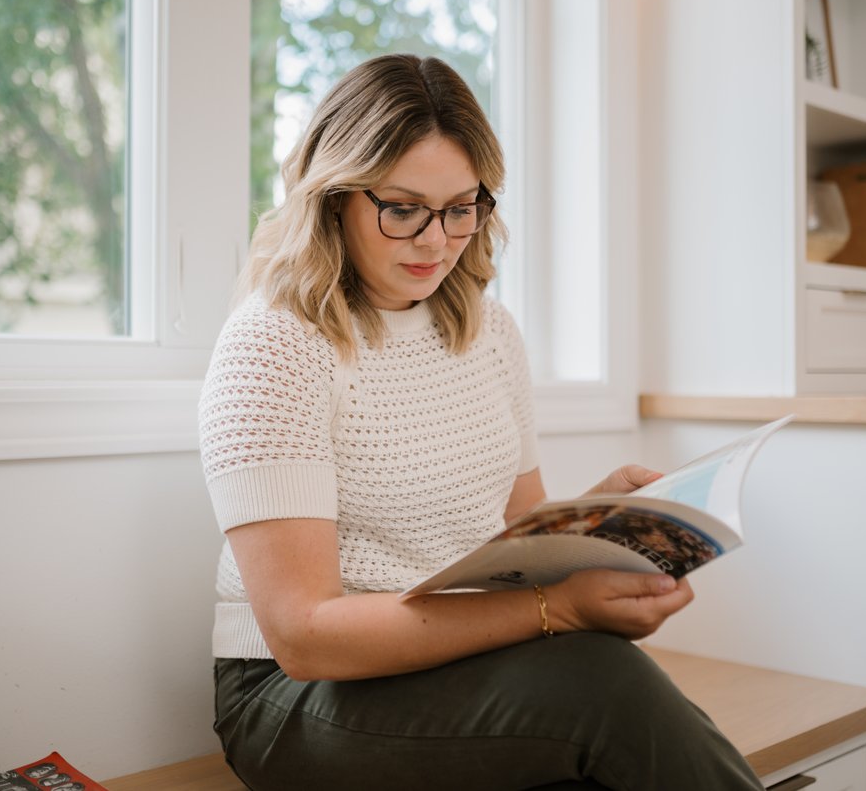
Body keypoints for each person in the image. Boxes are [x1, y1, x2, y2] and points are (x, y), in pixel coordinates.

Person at [199, 53, 763, 791]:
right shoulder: (275, 344)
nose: (437, 240)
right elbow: (305, 635)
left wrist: (602, 527)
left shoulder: (487, 330)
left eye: (462, 207)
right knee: (605, 684)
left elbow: (520, 534)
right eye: (402, 208)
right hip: (294, 696)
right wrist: (557, 606)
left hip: (455, 660)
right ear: (334, 196)